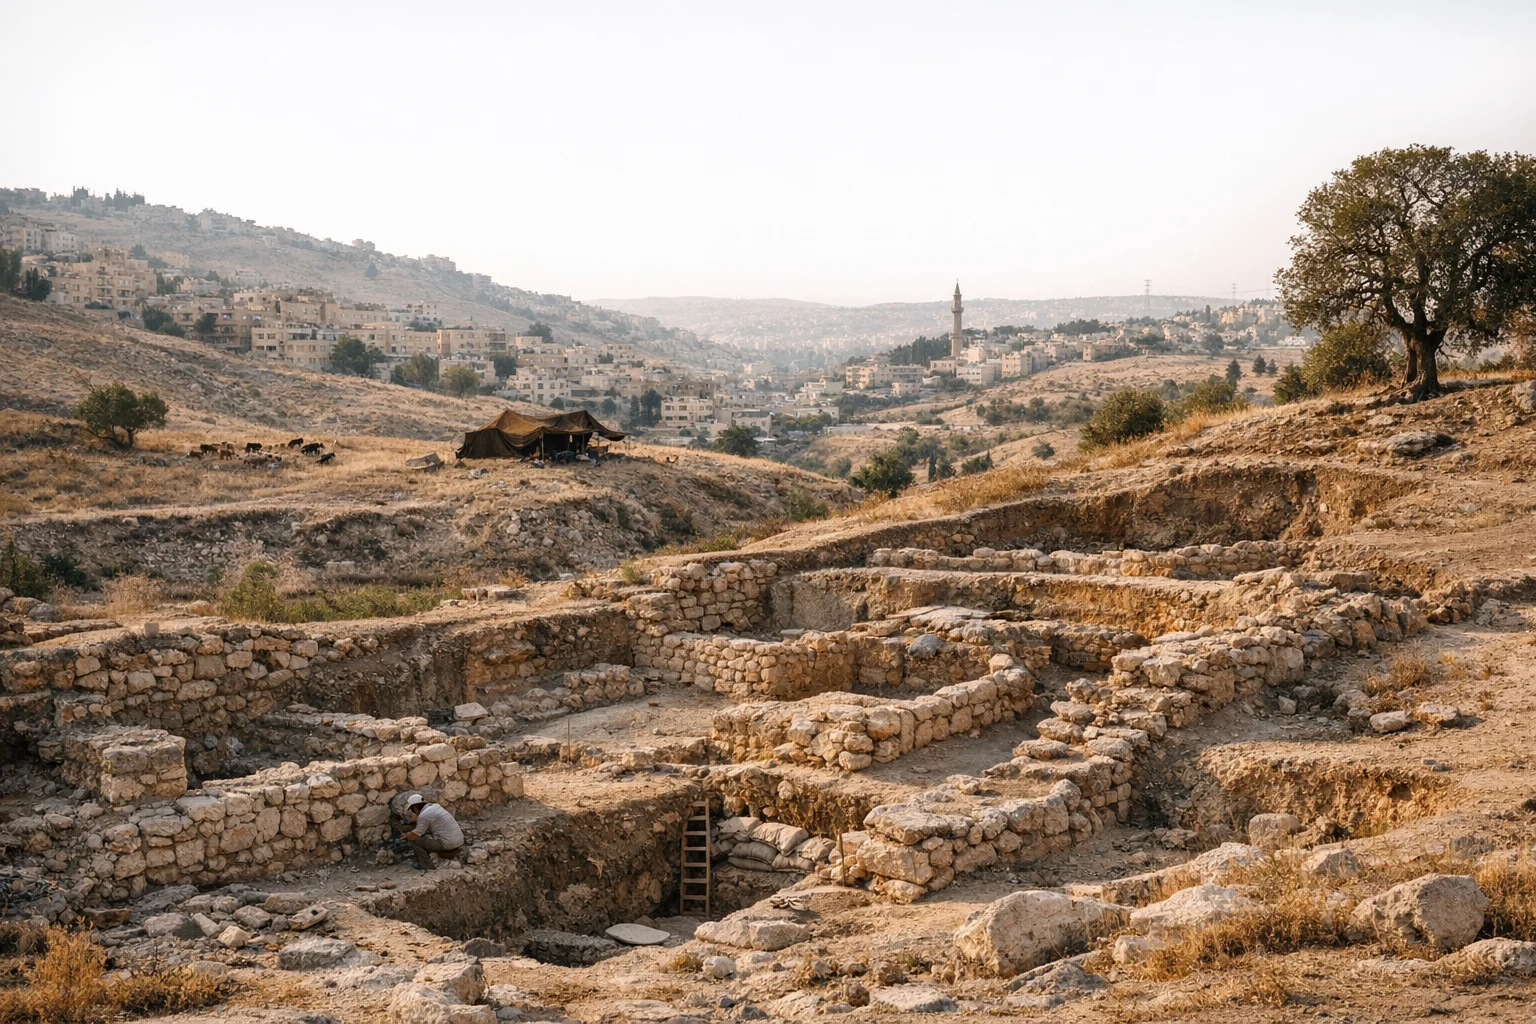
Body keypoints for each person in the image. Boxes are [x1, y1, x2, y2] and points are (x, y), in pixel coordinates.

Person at [400, 794, 463, 870]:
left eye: (412, 809)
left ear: (415, 807)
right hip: (459, 841)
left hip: (447, 844)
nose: (414, 812)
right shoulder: (436, 806)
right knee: (424, 838)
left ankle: (426, 865)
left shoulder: (424, 815)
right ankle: (431, 855)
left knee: (413, 841)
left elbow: (415, 835)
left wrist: (406, 836)